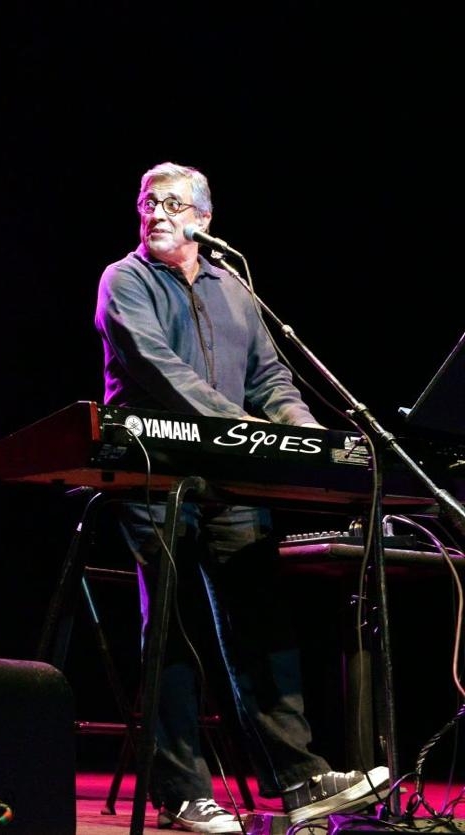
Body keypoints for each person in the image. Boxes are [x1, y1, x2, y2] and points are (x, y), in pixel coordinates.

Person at [93, 161, 389, 833]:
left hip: (232, 475)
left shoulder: (236, 290)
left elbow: (273, 380)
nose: (157, 213)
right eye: (147, 203)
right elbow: (159, 371)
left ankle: (301, 775)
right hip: (153, 471)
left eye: (173, 204)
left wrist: (308, 437)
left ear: (203, 220)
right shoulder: (124, 280)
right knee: (170, 624)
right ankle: (180, 788)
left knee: (260, 617)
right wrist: (237, 427)